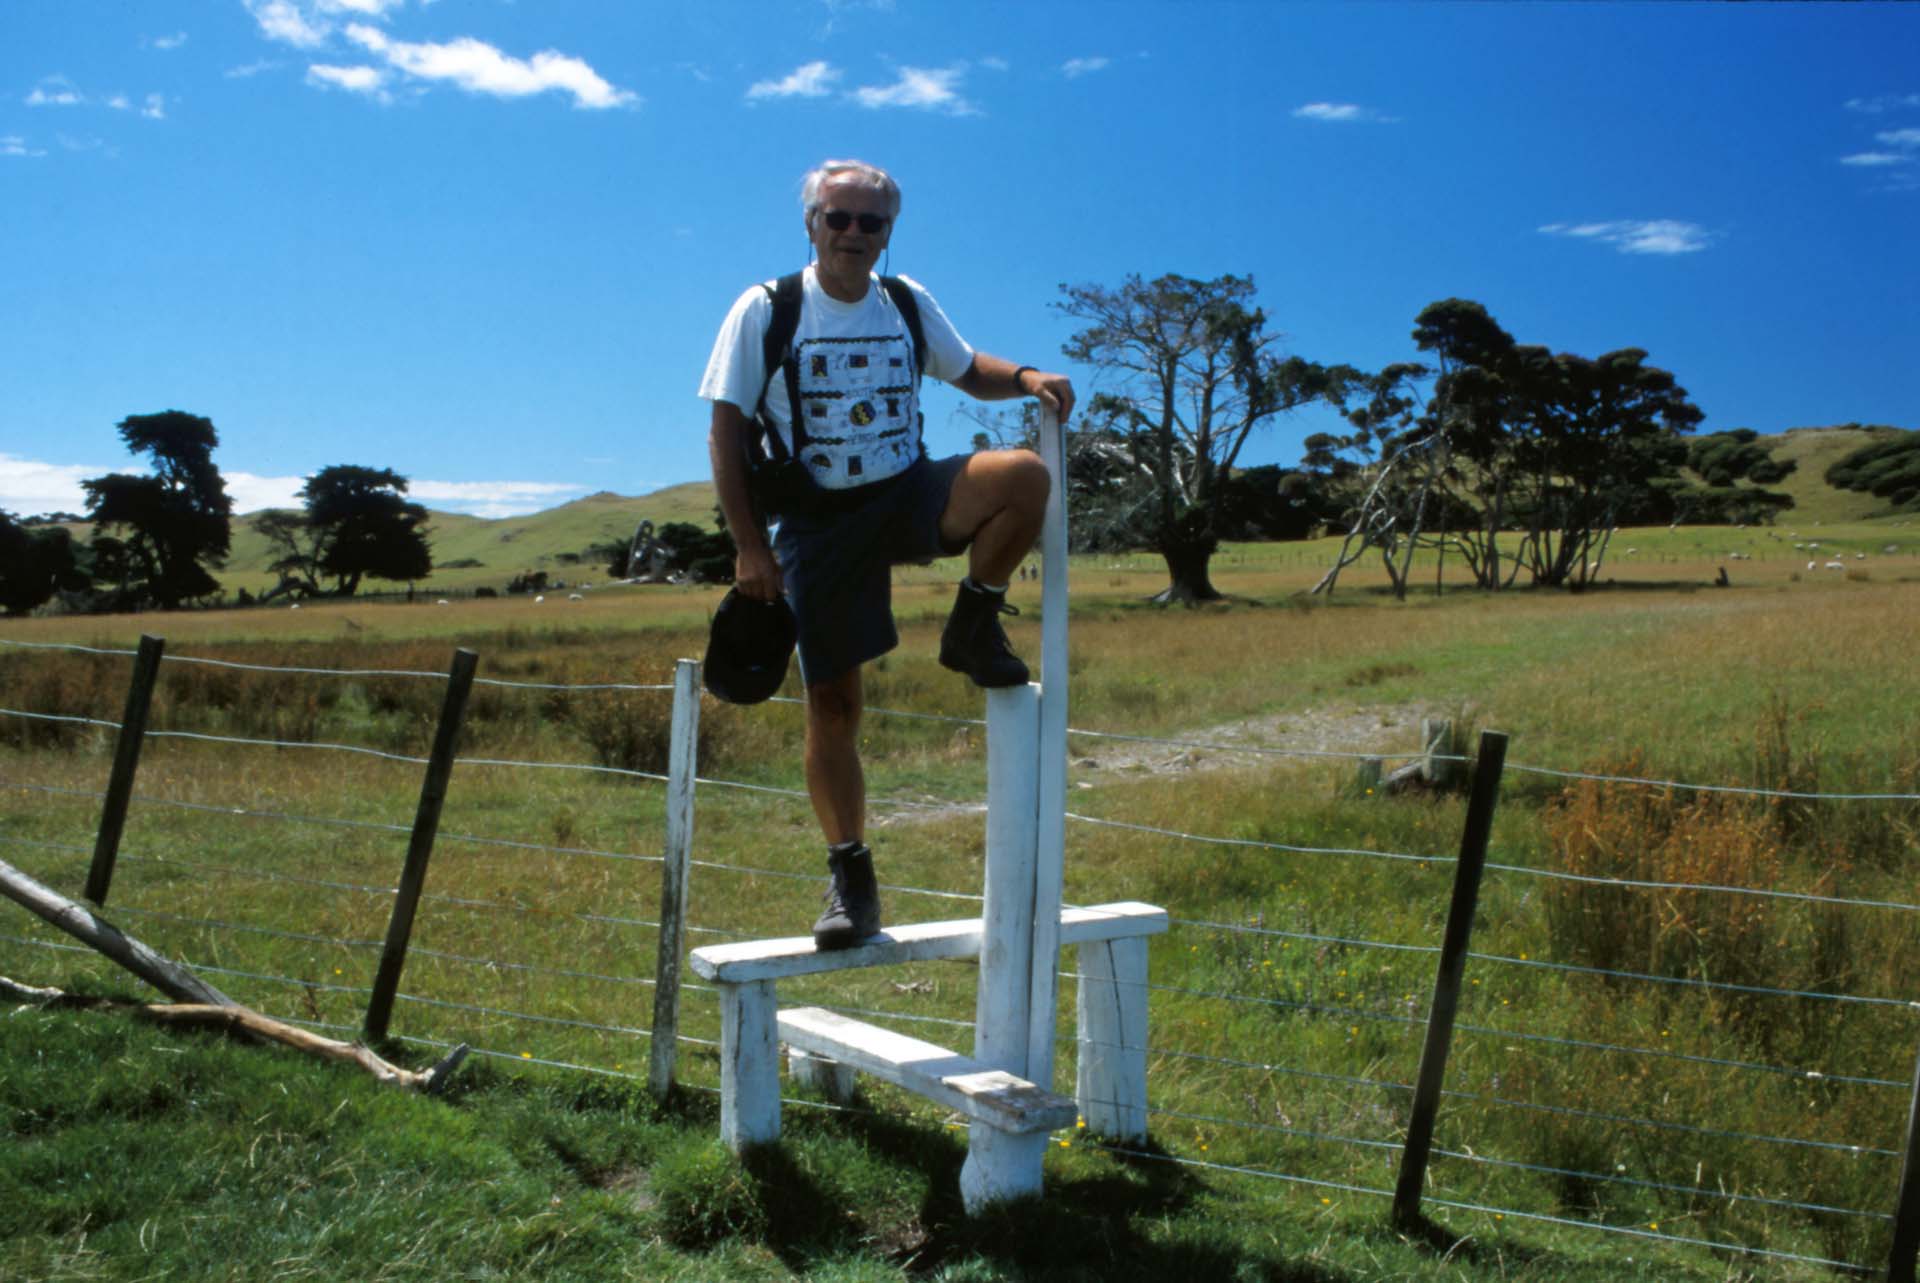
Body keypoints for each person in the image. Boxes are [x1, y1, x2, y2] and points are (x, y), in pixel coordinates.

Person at [699, 158, 1075, 951]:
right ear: (811, 224)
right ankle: (851, 878)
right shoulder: (767, 309)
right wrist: (749, 547)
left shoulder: (904, 300)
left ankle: (973, 624)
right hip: (818, 521)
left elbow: (966, 370)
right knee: (834, 706)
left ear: (888, 231)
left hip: (905, 491)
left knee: (1023, 479)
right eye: (838, 218)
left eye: (871, 222)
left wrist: (1028, 376)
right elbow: (725, 432)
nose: (854, 233)